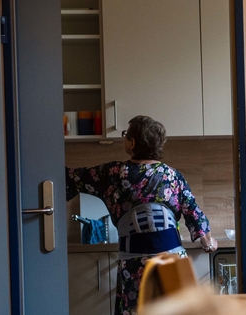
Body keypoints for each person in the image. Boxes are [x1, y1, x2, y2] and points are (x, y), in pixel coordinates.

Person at [66, 115, 217, 314]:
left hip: (135, 265)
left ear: (132, 143)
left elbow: (72, 177)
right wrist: (208, 242)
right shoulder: (172, 176)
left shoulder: (113, 173)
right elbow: (193, 213)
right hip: (172, 262)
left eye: (125, 135)